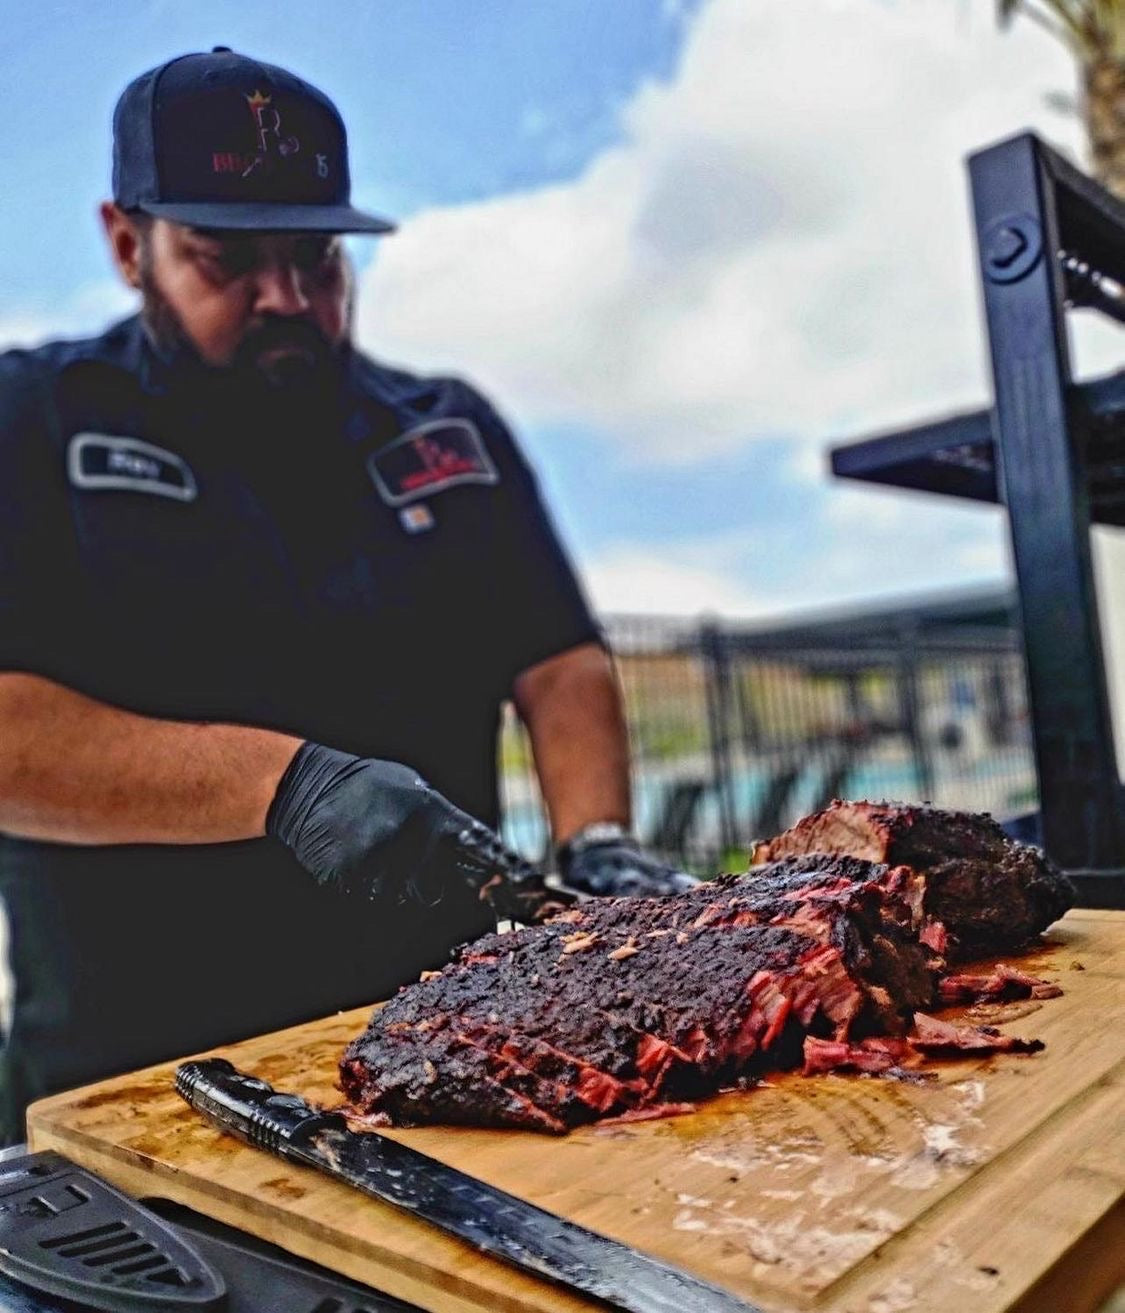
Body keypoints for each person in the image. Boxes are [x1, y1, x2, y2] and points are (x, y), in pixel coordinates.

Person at [0, 48, 694, 1143]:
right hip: (133, 1092)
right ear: (128, 242)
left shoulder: (444, 429)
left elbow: (557, 658)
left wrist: (595, 836)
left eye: (318, 256)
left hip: (450, 1065)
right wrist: (290, 786)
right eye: (224, 257)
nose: (286, 296)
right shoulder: (31, 419)